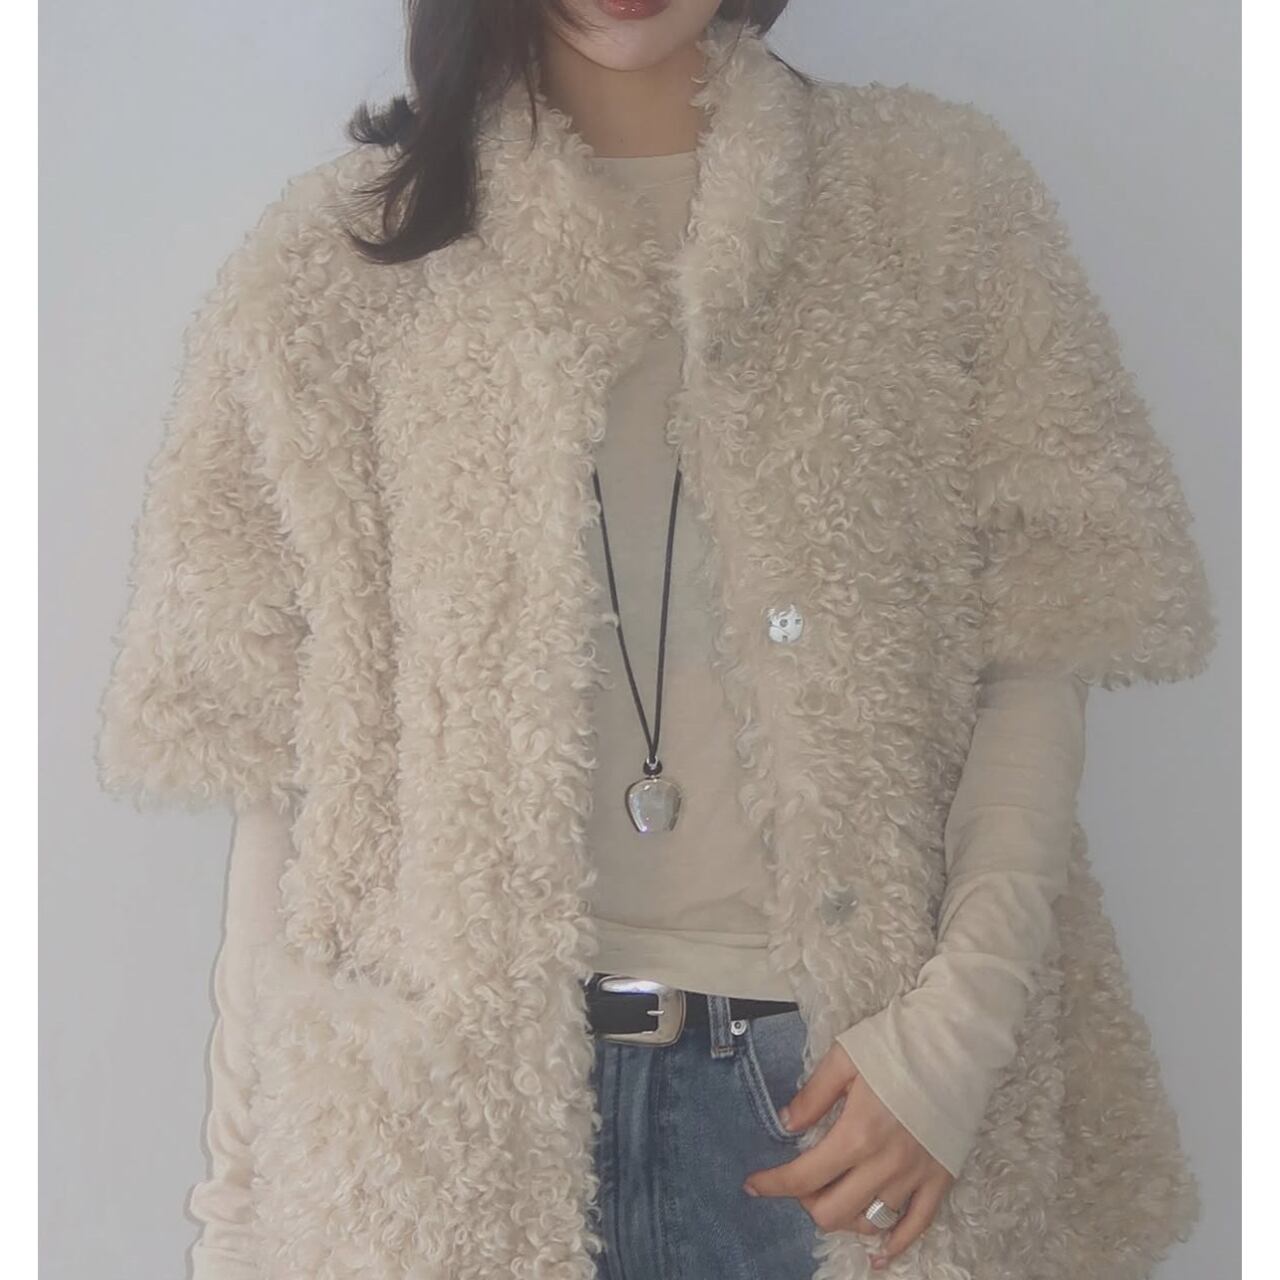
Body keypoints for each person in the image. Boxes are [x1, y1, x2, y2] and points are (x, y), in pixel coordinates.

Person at [95, 3, 1217, 1279]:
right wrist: (240, 1215)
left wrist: (952, 1039)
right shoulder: (337, 268)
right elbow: (281, 791)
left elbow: (1043, 644)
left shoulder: (932, 202)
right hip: (447, 1148)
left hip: (851, 1114)